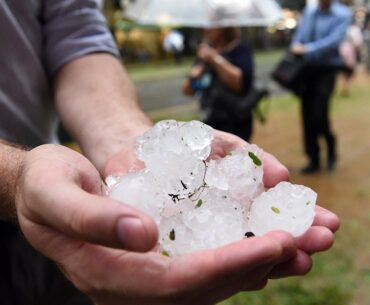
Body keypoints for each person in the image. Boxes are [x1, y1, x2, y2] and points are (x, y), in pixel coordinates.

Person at [0, 1, 340, 305]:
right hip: (37, 185)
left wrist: (128, 140)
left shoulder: (237, 50)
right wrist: (13, 176)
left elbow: (78, 45)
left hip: (55, 209)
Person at [291, 0, 352, 174]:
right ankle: (313, 158)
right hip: (306, 71)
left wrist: (307, 49)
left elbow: (334, 41)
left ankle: (330, 146)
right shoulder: (309, 11)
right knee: (306, 115)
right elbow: (300, 35)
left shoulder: (342, 14)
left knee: (319, 115)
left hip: (326, 71)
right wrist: (296, 45)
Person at [182, 26, 255, 142]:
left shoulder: (240, 49)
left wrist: (214, 58)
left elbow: (239, 84)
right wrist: (193, 76)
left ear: (224, 27)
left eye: (211, 27)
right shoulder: (204, 54)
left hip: (236, 120)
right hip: (210, 118)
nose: (206, 30)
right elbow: (187, 90)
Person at [339, 20, 363, 96]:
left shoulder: (343, 28)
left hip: (340, 50)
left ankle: (343, 86)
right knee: (348, 71)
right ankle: (345, 87)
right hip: (350, 51)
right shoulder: (355, 29)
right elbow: (357, 42)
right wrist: (358, 52)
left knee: (342, 70)